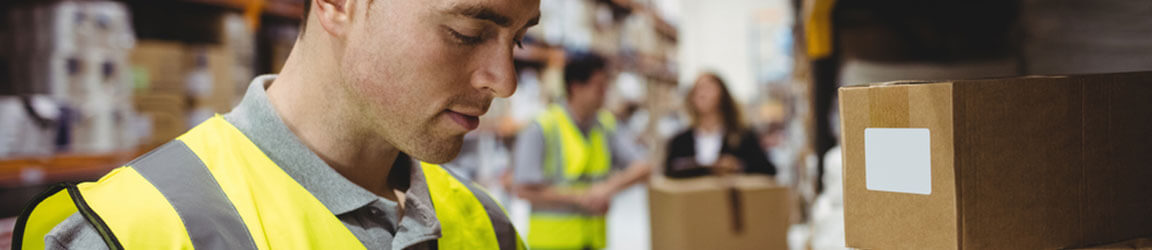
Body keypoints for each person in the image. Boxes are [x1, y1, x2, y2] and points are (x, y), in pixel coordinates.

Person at [12, 0, 540, 249]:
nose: (505, 81)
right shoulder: (130, 234)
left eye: (517, 40)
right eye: (468, 32)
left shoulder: (485, 225)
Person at [512, 52, 651, 250]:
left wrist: (607, 189)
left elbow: (644, 167)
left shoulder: (606, 126)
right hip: (552, 244)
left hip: (593, 242)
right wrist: (580, 198)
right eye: (598, 86)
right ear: (576, 87)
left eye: (606, 85)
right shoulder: (542, 128)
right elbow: (523, 190)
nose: (605, 92)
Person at [664, 73, 776, 178]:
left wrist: (737, 167)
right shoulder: (679, 141)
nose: (702, 94)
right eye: (697, 89)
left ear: (722, 95)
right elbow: (668, 174)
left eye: (708, 88)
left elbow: (768, 171)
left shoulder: (742, 137)